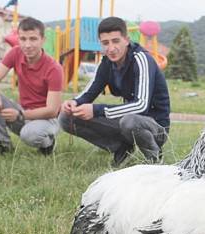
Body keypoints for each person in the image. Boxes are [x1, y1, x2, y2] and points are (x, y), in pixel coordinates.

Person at [58, 16, 171, 167]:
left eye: (116, 41)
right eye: (105, 43)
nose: (111, 48)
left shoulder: (142, 59)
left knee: (129, 121)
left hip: (155, 127)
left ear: (126, 40)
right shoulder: (106, 63)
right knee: (66, 117)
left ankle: (154, 158)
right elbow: (90, 92)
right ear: (100, 44)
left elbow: (141, 105)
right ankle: (121, 148)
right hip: (128, 121)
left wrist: (96, 110)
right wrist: (74, 102)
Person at [0, 17, 63, 157]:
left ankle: (48, 144)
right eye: (23, 39)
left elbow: (53, 110)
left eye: (33, 39)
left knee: (29, 134)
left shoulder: (54, 68)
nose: (27, 45)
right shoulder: (16, 53)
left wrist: (20, 115)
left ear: (43, 40)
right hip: (23, 112)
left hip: (47, 119)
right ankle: (3, 145)